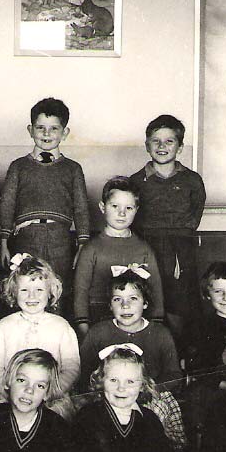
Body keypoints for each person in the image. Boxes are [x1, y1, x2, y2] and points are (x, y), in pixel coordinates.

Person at [0, 97, 89, 310]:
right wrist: (3, 242)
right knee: (26, 287)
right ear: (30, 130)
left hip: (60, 240)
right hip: (26, 238)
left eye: (54, 128)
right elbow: (7, 205)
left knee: (58, 291)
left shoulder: (73, 169)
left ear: (65, 133)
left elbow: (81, 209)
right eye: (40, 128)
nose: (46, 134)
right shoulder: (18, 167)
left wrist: (82, 245)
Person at [130, 114, 206, 335]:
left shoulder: (192, 180)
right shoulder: (135, 181)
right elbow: (132, 219)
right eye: (156, 141)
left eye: (169, 141)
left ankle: (180, 350)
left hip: (181, 250)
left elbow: (194, 216)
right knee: (149, 298)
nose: (161, 146)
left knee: (181, 304)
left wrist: (177, 238)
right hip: (147, 247)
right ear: (147, 146)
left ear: (180, 147)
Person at [0, 254, 79, 413]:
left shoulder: (62, 327)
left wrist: (52, 392)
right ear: (14, 292)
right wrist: (9, 391)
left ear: (50, 292)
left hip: (50, 394)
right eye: (24, 290)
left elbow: (72, 368)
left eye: (39, 290)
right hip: (8, 391)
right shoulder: (4, 326)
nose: (32, 296)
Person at [73, 176, 164, 334]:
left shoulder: (144, 249)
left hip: (135, 319)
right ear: (103, 207)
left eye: (129, 208)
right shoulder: (91, 249)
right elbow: (80, 292)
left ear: (136, 210)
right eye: (115, 206)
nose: (122, 213)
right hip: (99, 318)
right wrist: (84, 328)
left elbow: (156, 290)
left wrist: (156, 324)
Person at [79, 268, 181, 385]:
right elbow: (83, 373)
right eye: (117, 299)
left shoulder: (160, 334)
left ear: (145, 303)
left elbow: (174, 375)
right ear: (110, 305)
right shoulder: (97, 333)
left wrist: (150, 390)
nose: (125, 305)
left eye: (133, 298)